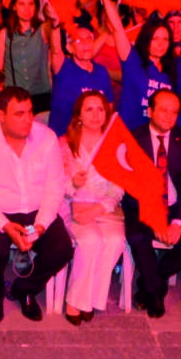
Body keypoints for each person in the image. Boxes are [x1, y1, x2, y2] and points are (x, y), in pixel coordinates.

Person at [0, 86, 74, 323]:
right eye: (19, 114)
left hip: (36, 213)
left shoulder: (47, 138)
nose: (28, 120)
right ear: (0, 115)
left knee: (62, 248)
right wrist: (4, 225)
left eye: (30, 112)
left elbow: (55, 188)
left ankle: (25, 289)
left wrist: (41, 226)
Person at [125, 89, 181, 318]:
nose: (169, 116)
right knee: (138, 238)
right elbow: (132, 187)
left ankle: (149, 282)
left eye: (174, 112)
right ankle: (157, 293)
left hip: (176, 206)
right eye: (164, 110)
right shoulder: (134, 138)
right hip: (142, 206)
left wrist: (177, 222)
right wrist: (155, 219)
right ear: (150, 111)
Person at [58, 91, 125, 324]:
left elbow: (119, 188)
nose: (96, 114)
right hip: (72, 206)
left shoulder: (115, 145)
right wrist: (72, 185)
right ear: (79, 115)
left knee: (115, 241)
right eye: (89, 109)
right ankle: (74, 301)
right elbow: (54, 185)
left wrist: (99, 209)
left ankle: (93, 298)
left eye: (100, 109)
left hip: (105, 208)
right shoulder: (65, 145)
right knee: (91, 241)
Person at [100, 0, 175, 131]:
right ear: (147, 39)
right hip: (127, 135)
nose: (161, 44)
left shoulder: (171, 72)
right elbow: (117, 28)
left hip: (153, 139)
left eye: (165, 39)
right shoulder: (133, 61)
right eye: (155, 39)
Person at [0, 0, 52, 114]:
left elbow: (55, 20)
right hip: (14, 98)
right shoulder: (5, 34)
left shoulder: (44, 30)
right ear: (14, 7)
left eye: (31, 4)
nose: (27, 9)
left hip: (41, 96)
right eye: (22, 4)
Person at [47, 22, 113, 137]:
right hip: (64, 140)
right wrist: (55, 25)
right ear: (69, 48)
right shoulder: (64, 68)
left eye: (89, 39)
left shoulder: (102, 72)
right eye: (78, 40)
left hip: (93, 140)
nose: (85, 44)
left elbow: (108, 109)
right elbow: (56, 50)